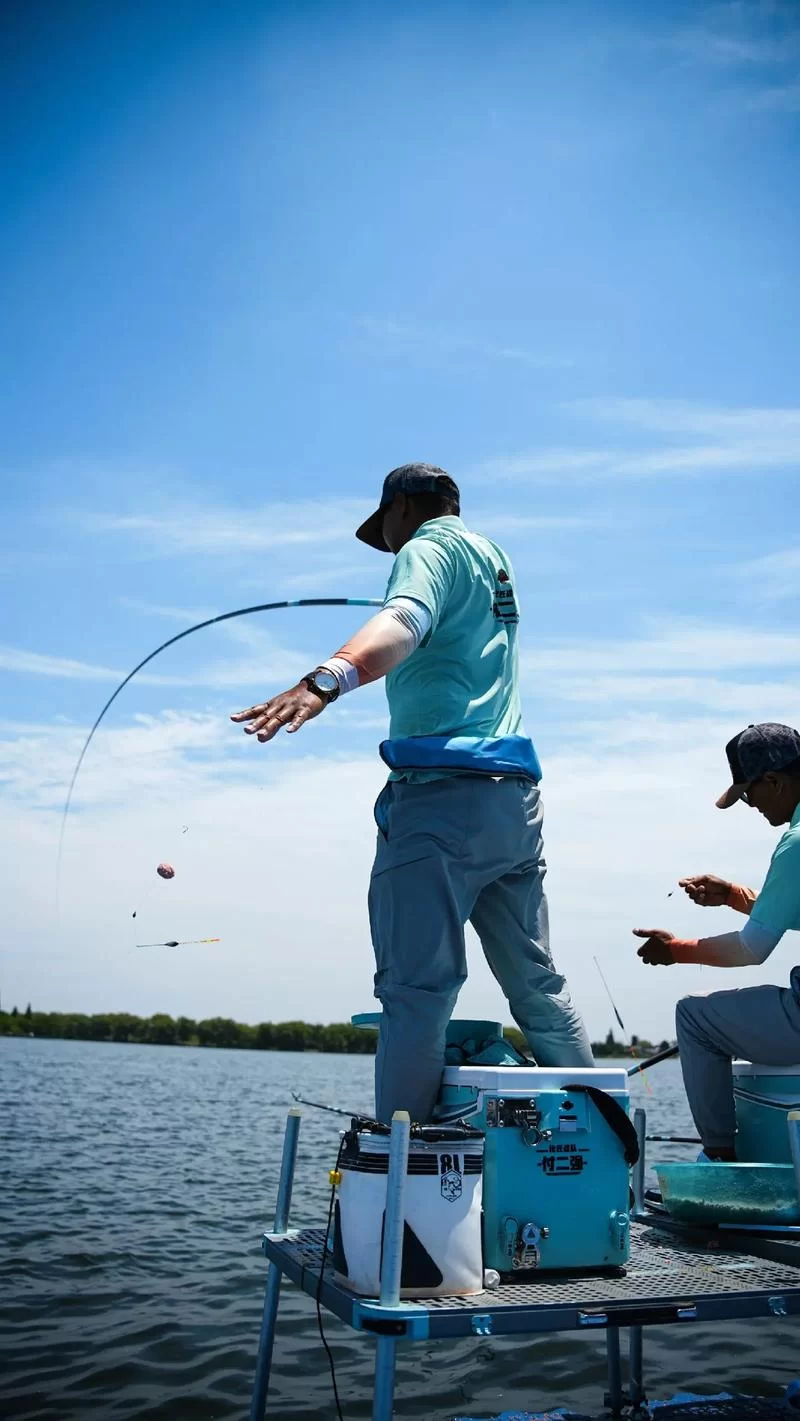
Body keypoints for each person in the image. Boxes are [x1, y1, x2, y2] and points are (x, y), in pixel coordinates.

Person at [232, 463, 593, 1123]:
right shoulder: (493, 557)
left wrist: (324, 680)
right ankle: (607, 1141)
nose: (391, 545)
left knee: (416, 993)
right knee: (538, 986)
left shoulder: (426, 548)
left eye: (387, 530)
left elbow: (404, 620)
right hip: (513, 803)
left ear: (402, 508)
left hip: (440, 801)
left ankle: (407, 1172)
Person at [634, 722, 800, 1161]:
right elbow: (790, 908)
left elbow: (752, 949)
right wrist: (731, 895)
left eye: (748, 794)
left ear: (775, 782)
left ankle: (721, 1163)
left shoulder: (796, 844)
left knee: (694, 1017)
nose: (750, 804)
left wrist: (674, 952)